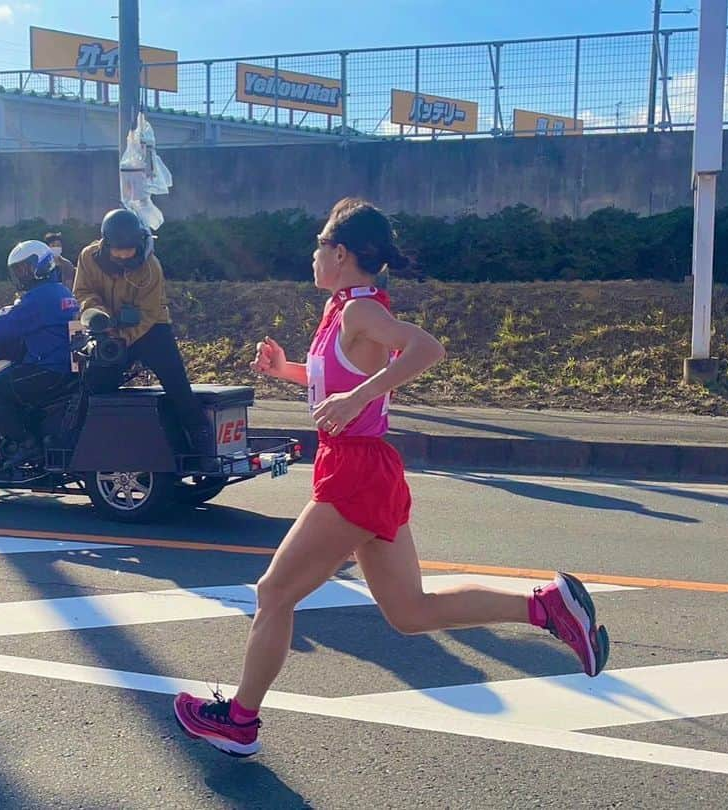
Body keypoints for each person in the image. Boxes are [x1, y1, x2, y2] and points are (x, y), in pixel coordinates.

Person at [173, 198, 610, 757]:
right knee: (410, 613)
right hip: (364, 468)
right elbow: (338, 375)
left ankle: (238, 721)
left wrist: (359, 395)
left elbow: (426, 348)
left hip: (355, 470)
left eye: (318, 247)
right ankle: (545, 606)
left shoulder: (360, 312)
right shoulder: (343, 309)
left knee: (273, 593)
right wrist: (285, 370)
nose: (312, 257)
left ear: (340, 252)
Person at [73, 208, 215, 461]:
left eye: (130, 249)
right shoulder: (88, 257)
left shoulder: (151, 267)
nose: (125, 254)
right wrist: (97, 312)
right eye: (119, 249)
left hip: (150, 329)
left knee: (177, 383)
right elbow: (82, 291)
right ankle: (91, 443)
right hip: (105, 328)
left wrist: (121, 339)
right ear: (106, 243)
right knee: (94, 384)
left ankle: (200, 435)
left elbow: (148, 313)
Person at [0, 240, 78, 466]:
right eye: (18, 270)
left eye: (26, 268)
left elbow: (5, 324)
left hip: (47, 368)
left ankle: (26, 444)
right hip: (61, 365)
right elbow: (13, 316)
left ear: (42, 265)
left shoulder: (41, 297)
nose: (22, 275)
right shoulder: (59, 291)